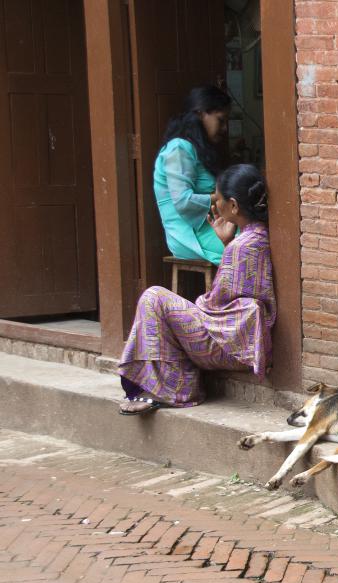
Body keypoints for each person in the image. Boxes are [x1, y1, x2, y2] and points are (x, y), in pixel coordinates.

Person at [118, 164, 276, 415]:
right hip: (240, 340)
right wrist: (226, 243)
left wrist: (196, 304)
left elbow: (214, 306)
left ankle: (176, 389)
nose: (215, 203)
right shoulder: (258, 236)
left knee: (154, 298)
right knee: (168, 307)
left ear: (233, 206)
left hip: (229, 347)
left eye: (218, 197)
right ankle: (175, 382)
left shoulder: (243, 246)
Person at [154, 85, 233, 265]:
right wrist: (221, 197)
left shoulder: (194, 149)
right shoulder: (179, 149)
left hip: (210, 227)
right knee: (247, 251)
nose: (225, 128)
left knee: (256, 240)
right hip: (190, 236)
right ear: (200, 114)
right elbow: (183, 201)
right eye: (220, 120)